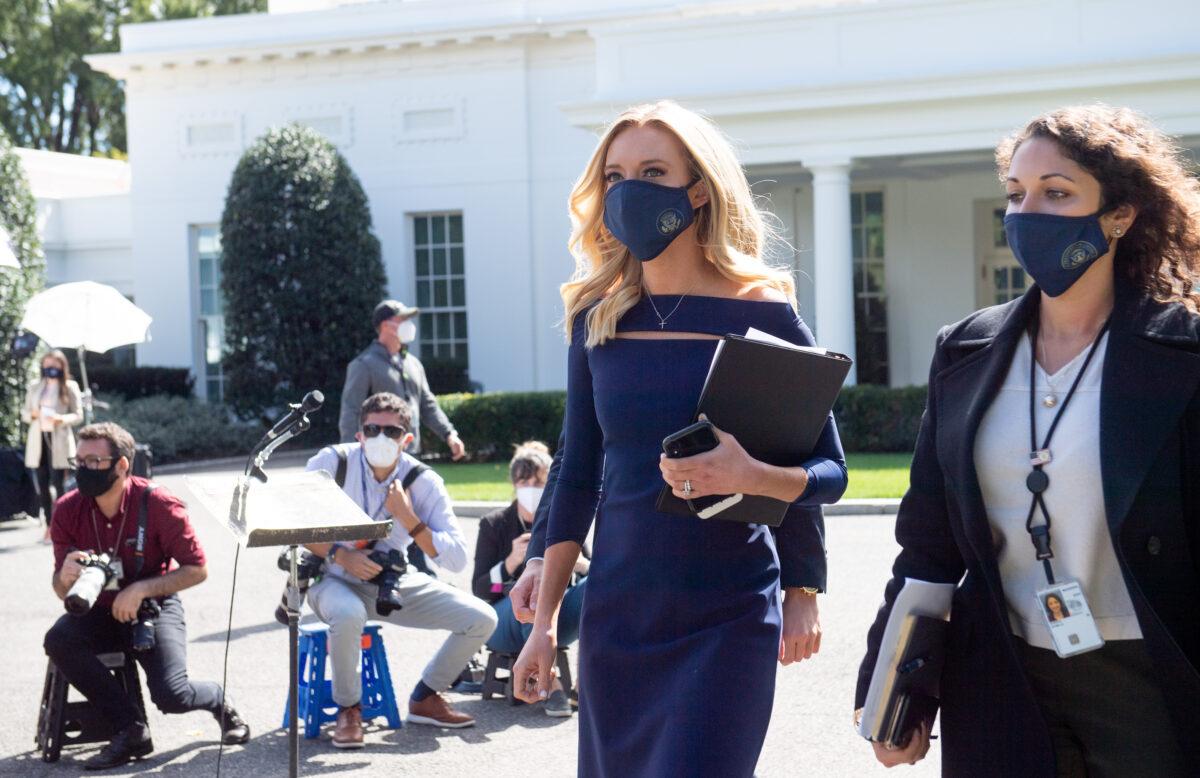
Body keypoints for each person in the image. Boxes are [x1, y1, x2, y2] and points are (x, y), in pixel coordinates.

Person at [857, 105, 1200, 776]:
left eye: (1057, 192)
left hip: (1150, 675)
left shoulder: (1182, 352)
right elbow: (927, 541)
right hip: (1002, 673)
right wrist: (892, 685)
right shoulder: (965, 350)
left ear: (1120, 215)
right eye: (1016, 194)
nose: (1027, 212)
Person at [511, 101, 847, 778]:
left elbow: (826, 470)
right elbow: (577, 470)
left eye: (653, 171)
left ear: (698, 189)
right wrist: (544, 621)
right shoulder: (597, 318)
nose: (628, 190)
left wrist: (800, 586)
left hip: (726, 615)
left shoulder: (764, 311)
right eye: (615, 175)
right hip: (619, 612)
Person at [44, 422, 249, 771]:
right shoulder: (67, 508)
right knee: (59, 639)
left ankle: (217, 698)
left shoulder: (157, 503)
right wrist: (62, 578)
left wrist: (140, 589)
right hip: (98, 608)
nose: (82, 469)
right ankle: (130, 729)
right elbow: (64, 592)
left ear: (122, 465)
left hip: (152, 606)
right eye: (78, 460)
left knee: (173, 696)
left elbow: (197, 568)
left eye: (93, 461)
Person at [303, 392, 497, 748]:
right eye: (371, 428)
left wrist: (410, 518)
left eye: (391, 432)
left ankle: (426, 696)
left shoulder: (424, 481)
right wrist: (340, 556)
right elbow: (292, 522)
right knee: (347, 614)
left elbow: (455, 559)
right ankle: (349, 709)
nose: (380, 437)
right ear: (359, 433)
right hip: (331, 577)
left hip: (389, 581)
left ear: (407, 439)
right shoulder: (332, 463)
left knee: (482, 618)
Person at [471, 441, 588, 717]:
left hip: (558, 615)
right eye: (525, 482)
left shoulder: (563, 523)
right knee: (534, 595)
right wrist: (511, 561)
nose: (531, 488)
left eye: (539, 482)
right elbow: (480, 589)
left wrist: (580, 564)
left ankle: (586, 681)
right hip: (504, 620)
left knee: (596, 586)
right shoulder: (495, 523)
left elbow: (592, 573)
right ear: (514, 484)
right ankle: (553, 686)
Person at [338, 299, 466, 459]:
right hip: (378, 455)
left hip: (411, 452)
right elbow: (351, 411)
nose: (409, 324)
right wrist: (350, 455)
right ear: (385, 325)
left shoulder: (413, 364)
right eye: (402, 320)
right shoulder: (364, 365)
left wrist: (449, 434)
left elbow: (428, 406)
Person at [22, 349, 83, 539]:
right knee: (42, 484)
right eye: (47, 365)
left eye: (54, 365)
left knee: (59, 484)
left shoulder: (70, 386)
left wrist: (60, 419)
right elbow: (24, 413)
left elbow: (78, 415)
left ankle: (65, 525)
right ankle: (49, 525)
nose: (50, 368)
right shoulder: (35, 386)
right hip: (39, 439)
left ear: (62, 366)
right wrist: (34, 414)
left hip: (59, 440)